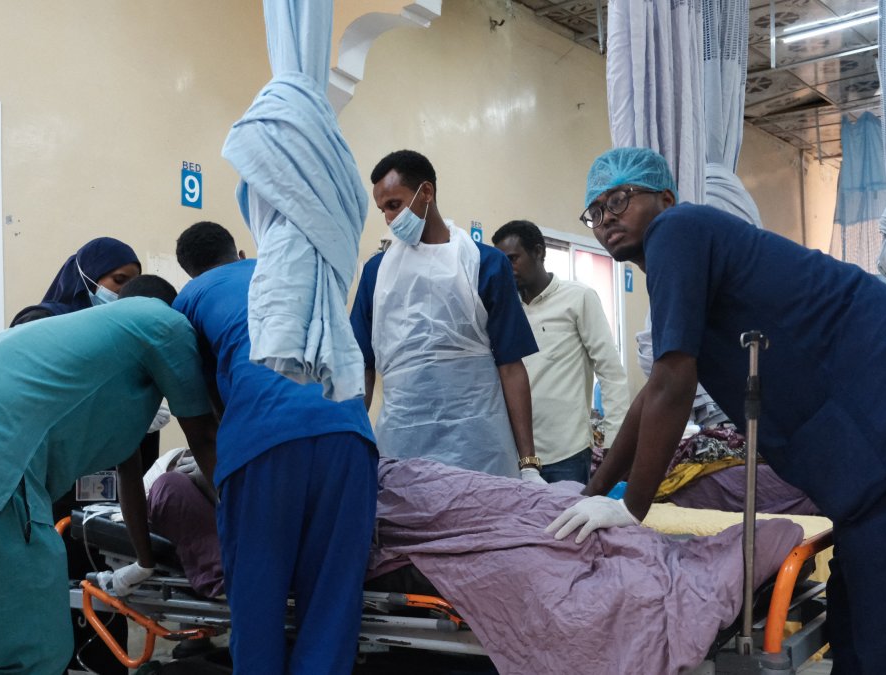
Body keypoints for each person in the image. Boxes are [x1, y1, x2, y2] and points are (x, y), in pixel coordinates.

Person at [549, 146, 886, 673]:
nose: (606, 219)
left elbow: (673, 384)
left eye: (618, 200)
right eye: (595, 211)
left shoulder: (676, 231)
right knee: (856, 626)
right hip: (882, 451)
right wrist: (594, 494)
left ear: (665, 198)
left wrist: (630, 509)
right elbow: (656, 389)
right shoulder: (684, 261)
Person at [0, 275, 217, 674]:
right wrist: (246, 518)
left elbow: (129, 473)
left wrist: (143, 563)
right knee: (37, 650)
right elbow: (205, 439)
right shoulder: (165, 322)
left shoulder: (100, 348)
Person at [173, 221, 378, 674]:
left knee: (257, 599)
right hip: (350, 431)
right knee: (332, 599)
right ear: (240, 250)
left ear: (189, 273)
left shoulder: (189, 300)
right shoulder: (289, 273)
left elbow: (205, 415)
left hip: (265, 440)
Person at [9, 236, 159, 675]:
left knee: (107, 589)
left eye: (133, 285)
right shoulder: (42, 323)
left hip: (108, 493)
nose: (122, 294)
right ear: (85, 275)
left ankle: (103, 665)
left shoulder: (127, 340)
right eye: (118, 281)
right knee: (53, 590)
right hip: (50, 485)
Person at [350, 150, 541, 480]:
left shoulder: (484, 264)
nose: (389, 220)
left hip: (480, 447)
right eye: (383, 210)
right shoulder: (376, 275)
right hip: (402, 445)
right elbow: (362, 369)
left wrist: (528, 463)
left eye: (395, 205)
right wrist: (349, 447)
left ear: (426, 193)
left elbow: (511, 366)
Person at [492, 220, 630, 484]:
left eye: (512, 258)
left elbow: (611, 372)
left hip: (567, 453)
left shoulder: (578, 298)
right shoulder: (507, 311)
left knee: (567, 524)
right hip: (519, 456)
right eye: (501, 262)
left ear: (539, 252)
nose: (507, 269)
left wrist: (614, 441)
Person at [10, 236, 142, 325]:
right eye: (119, 279)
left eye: (134, 284)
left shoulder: (118, 329)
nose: (128, 290)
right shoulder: (40, 320)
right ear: (89, 277)